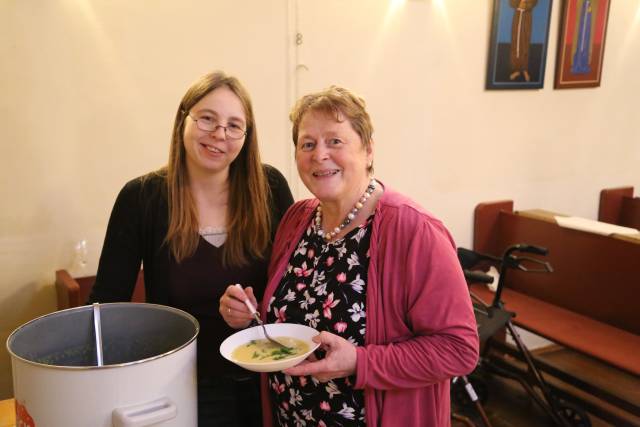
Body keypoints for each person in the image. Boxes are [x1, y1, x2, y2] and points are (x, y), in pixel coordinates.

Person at [220, 86, 479, 426]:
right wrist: (249, 313)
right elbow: (292, 318)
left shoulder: (415, 231)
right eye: (307, 144)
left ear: (369, 150)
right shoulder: (297, 219)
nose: (319, 155)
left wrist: (360, 361)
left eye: (335, 141)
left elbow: (458, 349)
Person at [89, 70, 294, 426]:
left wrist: (257, 307)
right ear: (183, 120)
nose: (219, 134)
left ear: (247, 136)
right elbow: (105, 307)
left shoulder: (270, 186)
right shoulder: (142, 197)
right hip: (179, 387)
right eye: (207, 119)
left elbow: (296, 283)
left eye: (234, 125)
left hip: (266, 380)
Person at [509, 0, 538, 82]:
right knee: (515, 41)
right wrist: (519, 3)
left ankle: (524, 69)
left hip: (527, 16)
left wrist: (526, 4)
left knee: (525, 42)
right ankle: (516, 69)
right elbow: (511, 2)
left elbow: (534, 2)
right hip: (518, 15)